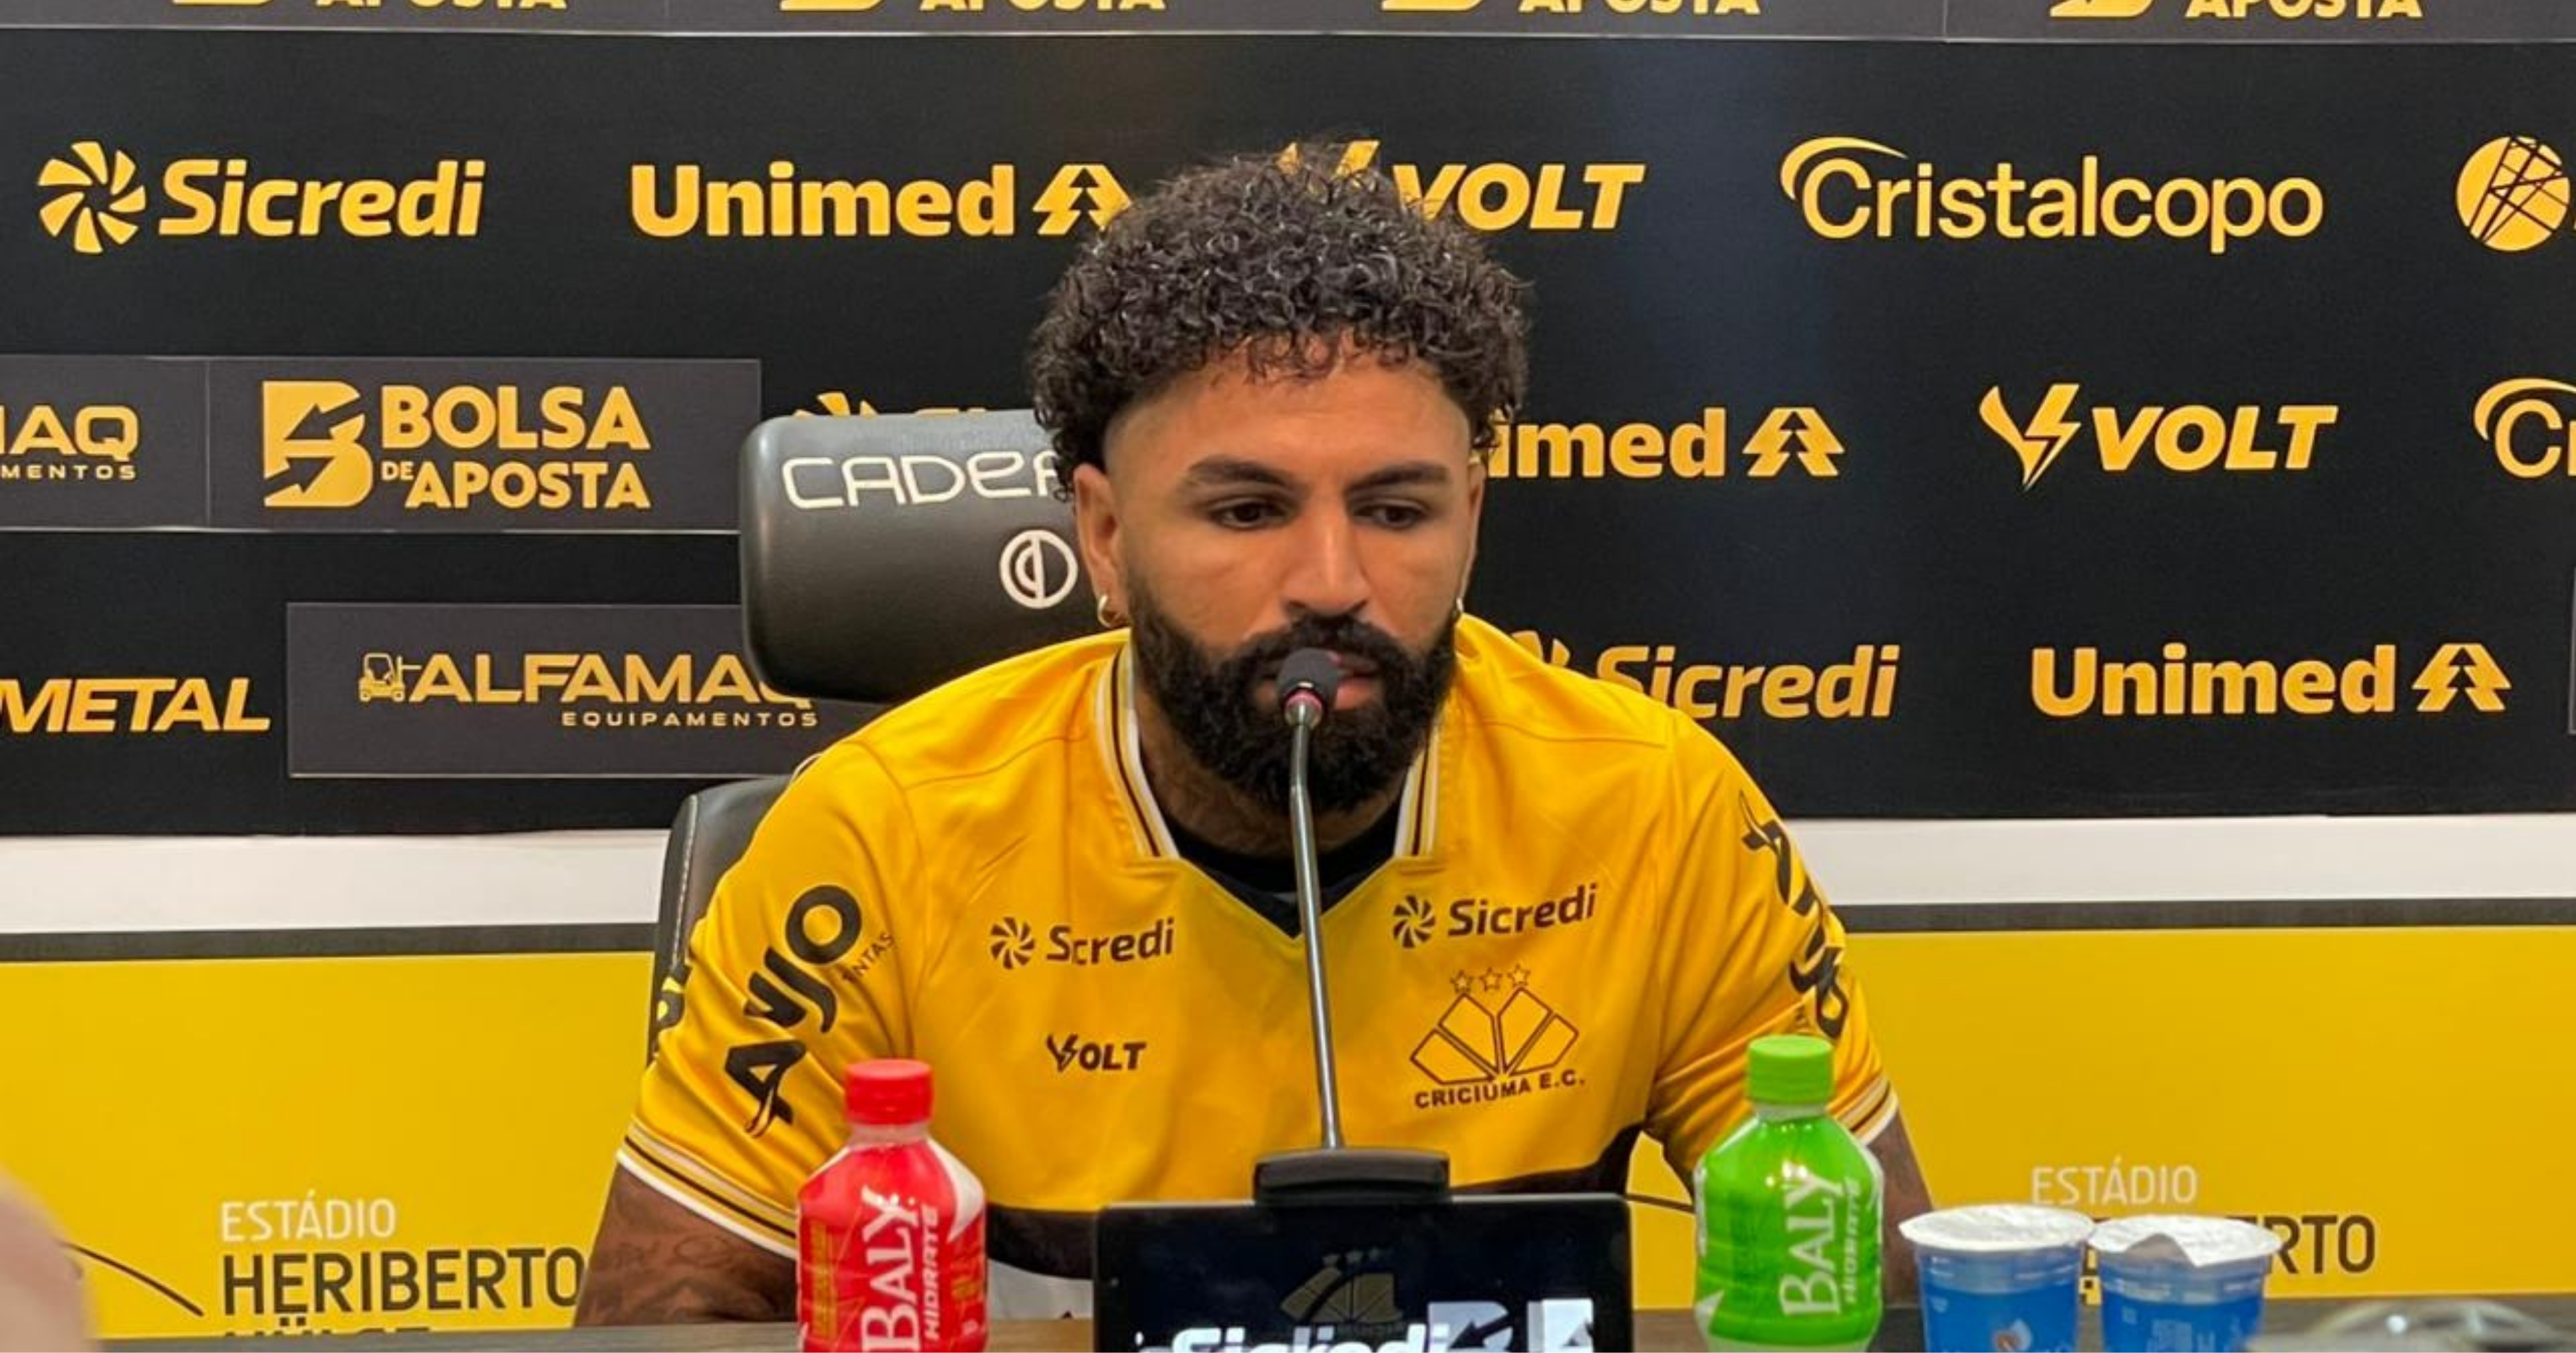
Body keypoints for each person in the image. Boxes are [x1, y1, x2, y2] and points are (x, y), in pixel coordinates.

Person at [576, 145, 1931, 1324]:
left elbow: (1870, 1292)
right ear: (1105, 536)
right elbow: (663, 1323)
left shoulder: (1657, 808)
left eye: (1395, 510)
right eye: (1246, 511)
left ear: (1470, 519)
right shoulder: (878, 831)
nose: (1331, 581)